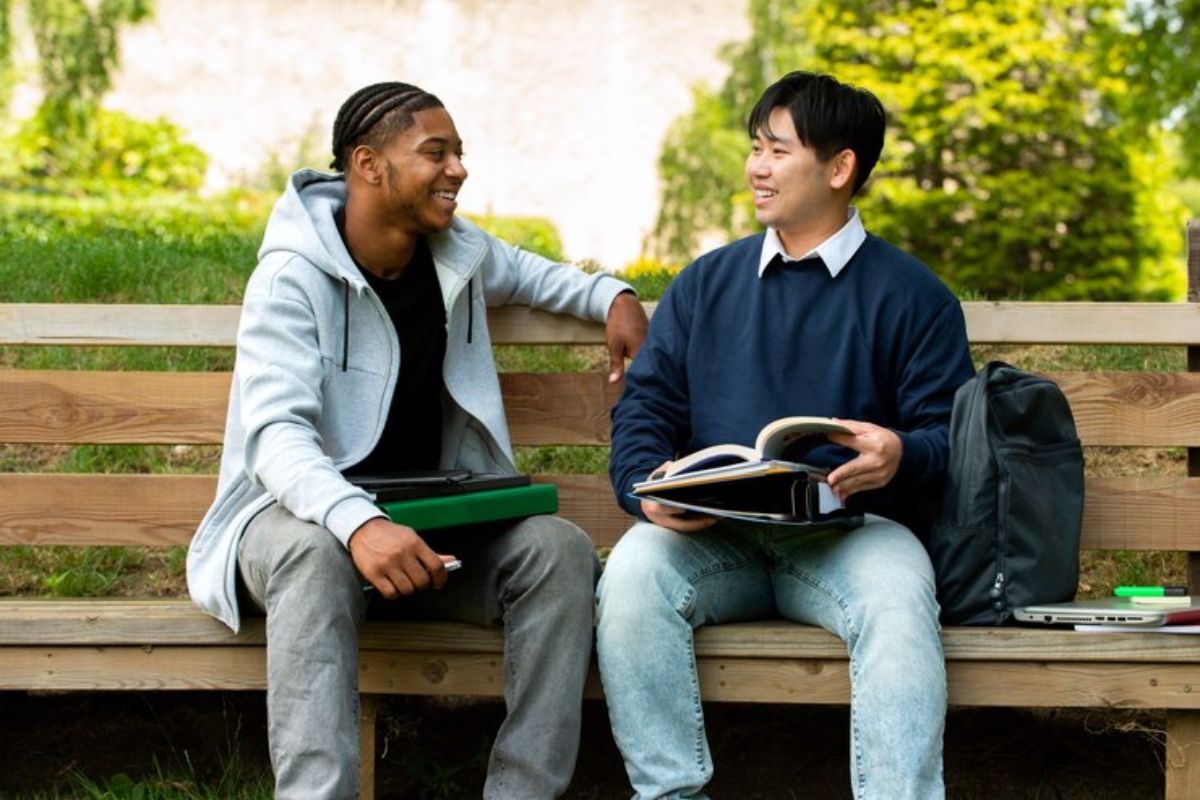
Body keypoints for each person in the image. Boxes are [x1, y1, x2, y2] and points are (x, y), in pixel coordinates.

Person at [186, 81, 647, 799]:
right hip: (297, 526)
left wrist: (613, 297)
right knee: (313, 554)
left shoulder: (454, 252)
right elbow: (275, 436)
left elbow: (534, 274)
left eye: (459, 153)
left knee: (557, 551)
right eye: (436, 153)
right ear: (369, 165)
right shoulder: (290, 277)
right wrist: (359, 524)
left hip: (428, 534)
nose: (458, 169)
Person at [598, 71, 975, 799]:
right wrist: (645, 490)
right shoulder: (705, 283)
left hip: (853, 535)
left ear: (840, 169)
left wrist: (899, 454)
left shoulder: (914, 297)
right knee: (633, 573)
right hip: (714, 537)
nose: (757, 167)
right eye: (755, 147)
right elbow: (644, 407)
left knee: (898, 598)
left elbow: (946, 437)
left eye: (778, 150)